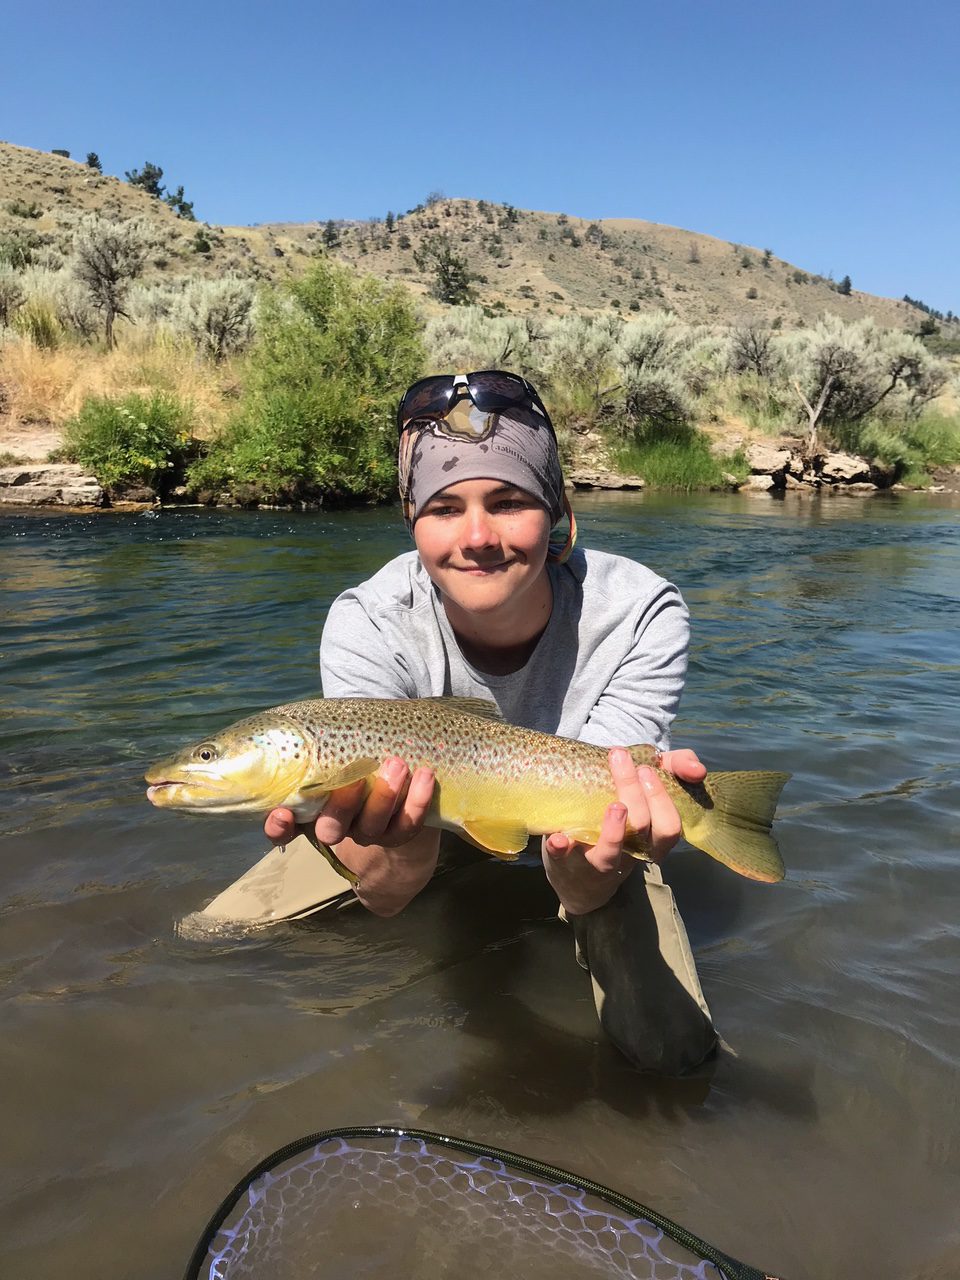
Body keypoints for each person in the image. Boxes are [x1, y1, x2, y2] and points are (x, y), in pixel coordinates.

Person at [266, 370, 718, 1074]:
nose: (477, 537)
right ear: (410, 520)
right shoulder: (368, 621)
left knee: (674, 1059)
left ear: (559, 509)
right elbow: (386, 891)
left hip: (577, 823)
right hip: (426, 825)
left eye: (508, 502)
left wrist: (583, 882)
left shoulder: (641, 612)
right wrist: (405, 858)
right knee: (220, 939)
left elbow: (591, 822)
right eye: (444, 508)